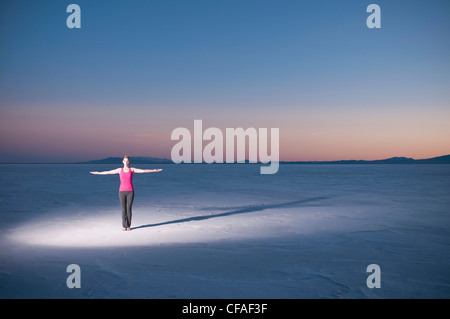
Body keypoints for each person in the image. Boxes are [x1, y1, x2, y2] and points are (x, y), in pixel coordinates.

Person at [90, 156, 163, 231]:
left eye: (127, 161)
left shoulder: (132, 169)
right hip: (121, 191)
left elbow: (143, 171)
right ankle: (124, 226)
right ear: (122, 162)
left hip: (130, 191)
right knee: (123, 209)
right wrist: (98, 173)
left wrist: (154, 170)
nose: (126, 162)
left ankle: (128, 226)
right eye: (125, 161)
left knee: (129, 209)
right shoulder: (119, 170)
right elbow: (108, 172)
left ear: (129, 162)